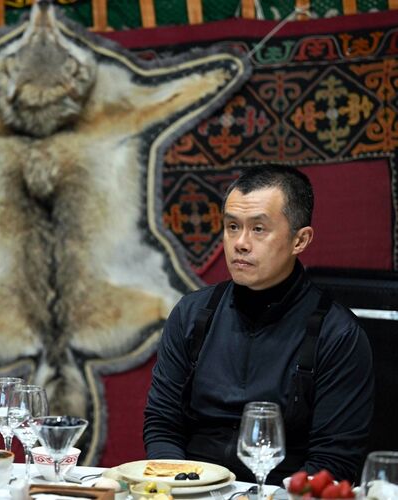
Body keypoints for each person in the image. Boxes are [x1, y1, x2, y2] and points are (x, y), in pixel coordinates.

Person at [143, 165, 373, 484]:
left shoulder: (337, 334)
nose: (240, 243)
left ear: (300, 240)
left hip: (283, 490)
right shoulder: (192, 314)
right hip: (192, 486)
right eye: (232, 227)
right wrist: (178, 485)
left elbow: (334, 460)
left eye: (259, 229)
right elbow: (162, 423)